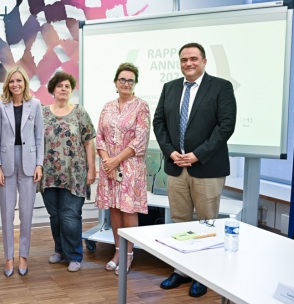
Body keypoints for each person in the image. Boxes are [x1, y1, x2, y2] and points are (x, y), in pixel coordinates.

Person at [153, 42, 237, 297]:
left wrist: (197, 155)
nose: (188, 63)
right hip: (176, 167)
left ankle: (204, 274)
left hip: (207, 168)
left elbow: (226, 126)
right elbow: (158, 122)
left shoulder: (221, 87)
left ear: (204, 61)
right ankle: (182, 270)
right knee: (179, 222)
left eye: (193, 59)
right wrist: (170, 152)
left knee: (205, 223)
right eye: (184, 59)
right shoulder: (170, 87)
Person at [95, 63, 150, 275]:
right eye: (122, 79)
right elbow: (99, 136)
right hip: (109, 166)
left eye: (130, 80)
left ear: (134, 83)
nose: (126, 83)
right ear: (115, 82)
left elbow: (141, 140)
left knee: (128, 210)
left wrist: (116, 160)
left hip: (130, 166)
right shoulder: (107, 106)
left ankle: (128, 255)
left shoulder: (141, 106)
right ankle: (117, 251)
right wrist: (107, 160)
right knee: (114, 209)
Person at [38, 71, 96, 272]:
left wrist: (91, 169)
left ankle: (74, 255)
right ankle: (60, 250)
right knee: (55, 215)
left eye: (67, 86)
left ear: (71, 91)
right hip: (48, 173)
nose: (64, 89)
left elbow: (89, 142)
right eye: (60, 86)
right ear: (53, 89)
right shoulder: (42, 112)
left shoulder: (80, 112)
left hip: (75, 173)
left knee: (70, 215)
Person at [0, 66, 44, 277]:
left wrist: (39, 164)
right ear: (7, 84)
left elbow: (39, 137)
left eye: (19, 81)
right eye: (12, 81)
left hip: (30, 164)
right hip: (6, 163)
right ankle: (8, 258)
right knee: (6, 214)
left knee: (26, 213)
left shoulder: (36, 105)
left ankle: (23, 256)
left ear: (25, 83)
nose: (15, 84)